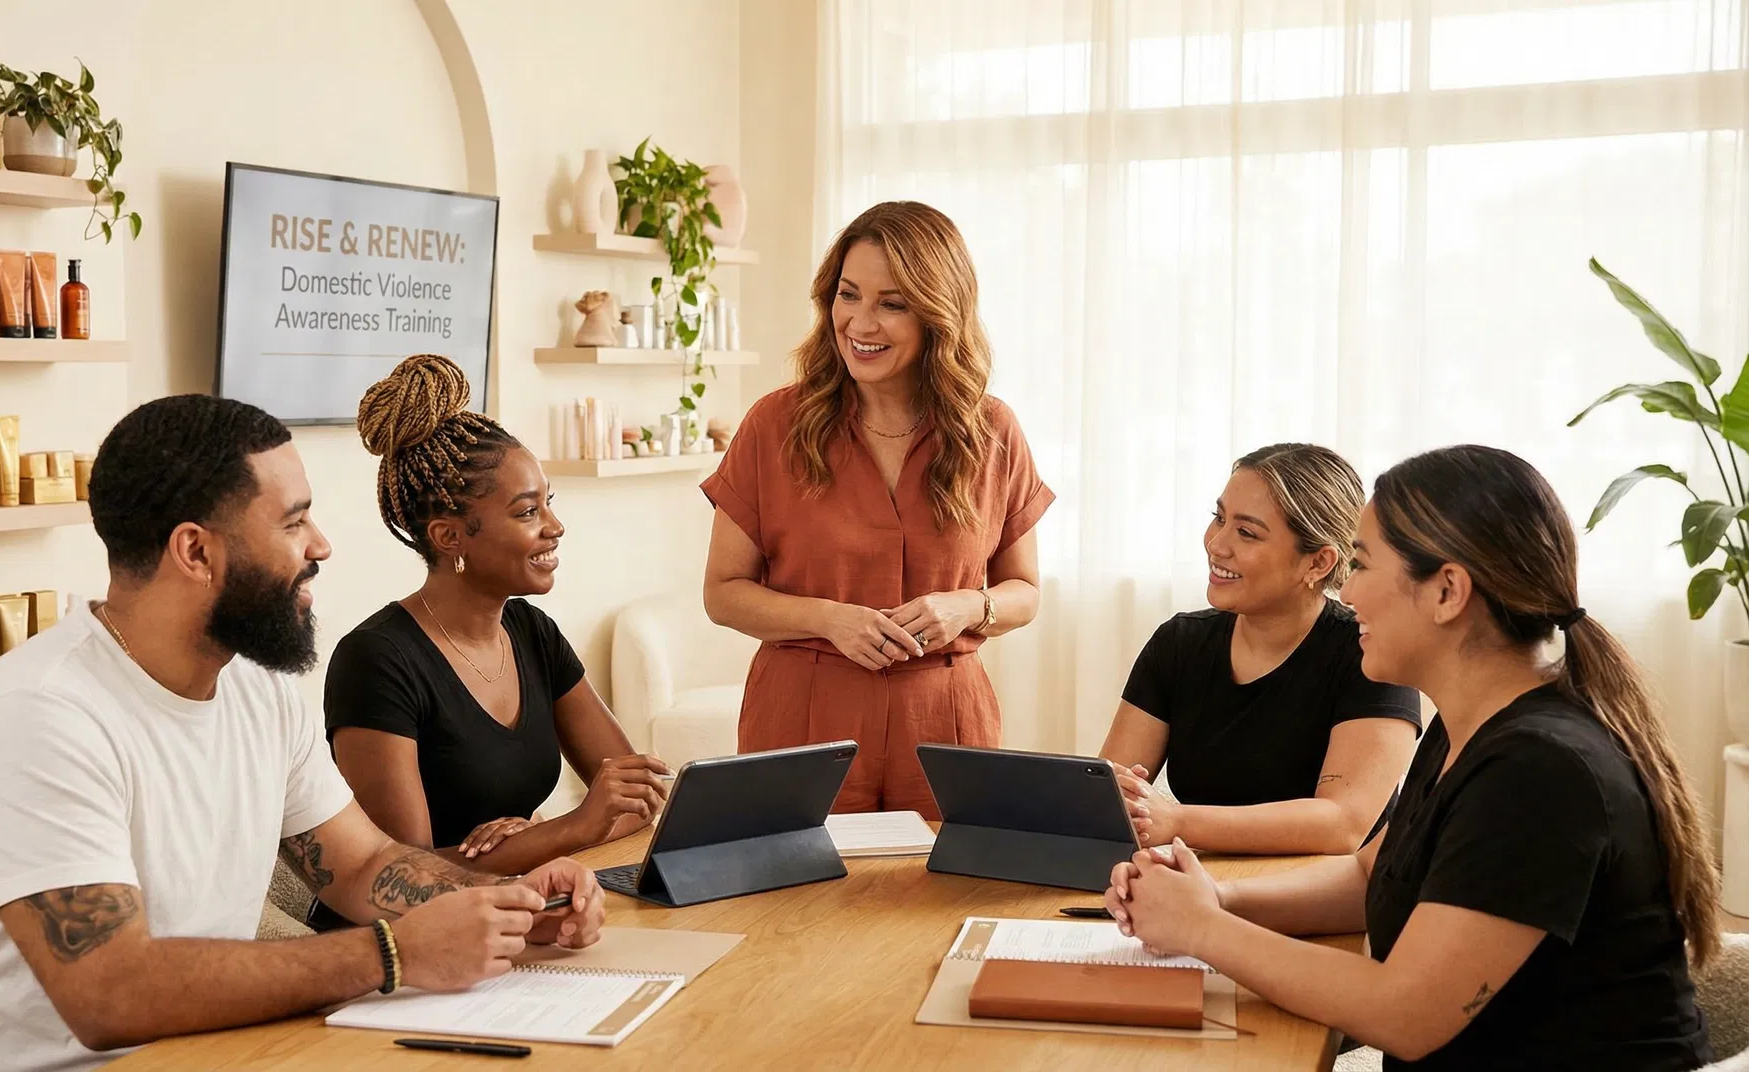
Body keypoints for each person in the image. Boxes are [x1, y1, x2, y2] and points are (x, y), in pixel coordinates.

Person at [0, 395, 604, 1072]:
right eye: (293, 523)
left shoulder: (258, 687)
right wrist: (392, 954)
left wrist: (508, 903)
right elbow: (110, 994)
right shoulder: (39, 718)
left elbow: (360, 866)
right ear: (195, 553)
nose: (321, 546)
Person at [1104, 445, 1719, 1070]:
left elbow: (1406, 1014)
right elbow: (1371, 875)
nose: (1347, 588)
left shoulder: (1540, 770)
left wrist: (1204, 930)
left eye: (1362, 565)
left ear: (1447, 590)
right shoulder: (1469, 728)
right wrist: (1215, 898)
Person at [702, 200, 1054, 818]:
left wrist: (970, 605)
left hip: (946, 721)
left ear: (938, 315)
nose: (860, 323)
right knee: (795, 910)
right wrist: (832, 620)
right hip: (803, 721)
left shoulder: (992, 430)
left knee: (943, 904)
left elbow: (1024, 589)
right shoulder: (773, 424)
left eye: (892, 303)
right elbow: (723, 593)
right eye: (848, 295)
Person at [314, 356, 667, 932]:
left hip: (508, 915)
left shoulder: (531, 631)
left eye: (549, 503)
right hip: (395, 949)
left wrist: (535, 839)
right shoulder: (376, 661)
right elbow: (399, 877)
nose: (554, 526)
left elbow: (633, 799)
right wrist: (568, 829)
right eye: (528, 511)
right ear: (450, 537)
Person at [1099, 444, 1421, 855]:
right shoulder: (1179, 642)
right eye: (1219, 518)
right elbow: (1111, 798)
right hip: (1208, 884)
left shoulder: (1369, 652)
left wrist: (1178, 821)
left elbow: (1342, 825)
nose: (1217, 544)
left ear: (1318, 563)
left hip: (1333, 901)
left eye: (1246, 532)